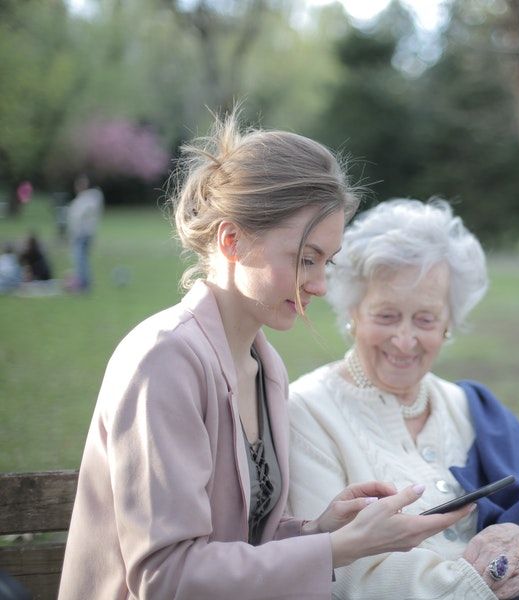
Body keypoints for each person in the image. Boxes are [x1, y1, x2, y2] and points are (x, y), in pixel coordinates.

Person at [58, 112, 473, 600]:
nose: (319, 285)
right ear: (232, 241)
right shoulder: (164, 360)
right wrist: (335, 550)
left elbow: (239, 544)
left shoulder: (264, 365)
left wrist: (321, 530)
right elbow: (166, 578)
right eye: (304, 259)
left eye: (326, 262)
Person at [287, 199, 519, 599]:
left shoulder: (469, 408)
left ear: (448, 324)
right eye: (385, 316)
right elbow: (342, 573)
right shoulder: (307, 411)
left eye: (425, 319)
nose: (404, 340)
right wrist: (479, 582)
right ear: (353, 312)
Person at [66, 173, 104, 292]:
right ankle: (82, 283)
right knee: (80, 259)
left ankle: (84, 284)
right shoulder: (82, 200)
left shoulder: (89, 199)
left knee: (80, 259)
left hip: (83, 235)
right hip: (80, 234)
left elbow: (84, 216)